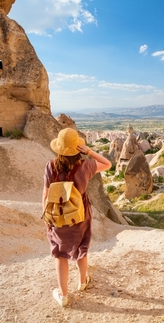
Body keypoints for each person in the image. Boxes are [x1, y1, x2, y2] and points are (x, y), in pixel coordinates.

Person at [42, 128, 112, 307]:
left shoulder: (51, 166)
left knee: (60, 253)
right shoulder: (86, 165)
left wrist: (47, 219)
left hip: (58, 215)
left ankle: (63, 295)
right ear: (77, 148)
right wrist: (88, 151)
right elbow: (107, 164)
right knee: (82, 247)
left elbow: (46, 194)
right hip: (80, 214)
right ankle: (82, 282)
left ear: (59, 148)